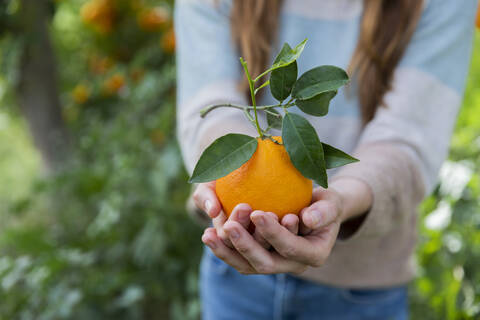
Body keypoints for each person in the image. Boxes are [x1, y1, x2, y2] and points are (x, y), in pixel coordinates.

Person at [175, 0, 477, 319]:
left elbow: (407, 138)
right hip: (232, 279)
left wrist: (338, 202)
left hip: (362, 291)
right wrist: (224, 174)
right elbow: (208, 105)